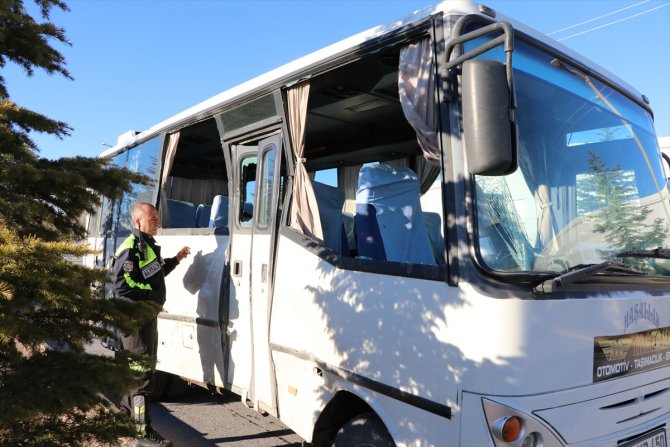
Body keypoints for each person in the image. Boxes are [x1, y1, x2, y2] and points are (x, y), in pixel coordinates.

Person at [111, 202, 190, 447]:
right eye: (153, 219)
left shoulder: (145, 247)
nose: (158, 223)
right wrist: (149, 301)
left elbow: (153, 273)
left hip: (145, 319)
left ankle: (127, 420)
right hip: (136, 321)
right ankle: (143, 436)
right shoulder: (131, 248)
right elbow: (121, 287)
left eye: (157, 218)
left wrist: (176, 259)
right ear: (138, 222)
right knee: (141, 377)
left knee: (138, 373)